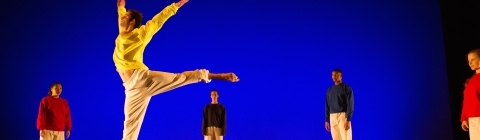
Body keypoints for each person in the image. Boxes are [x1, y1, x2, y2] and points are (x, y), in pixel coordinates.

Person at [114, 0, 239, 139]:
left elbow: (158, 20)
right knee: (129, 128)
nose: (122, 18)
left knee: (181, 78)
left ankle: (218, 76)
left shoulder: (140, 34)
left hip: (143, 79)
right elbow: (121, 16)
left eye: (125, 17)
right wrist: (121, 7)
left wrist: (176, 5)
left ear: (132, 22)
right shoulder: (122, 34)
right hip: (131, 89)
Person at [325, 68, 354, 140]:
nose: (334, 76)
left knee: (346, 138)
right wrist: (326, 120)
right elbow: (327, 105)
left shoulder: (346, 88)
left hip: (343, 116)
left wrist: (348, 119)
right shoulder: (329, 90)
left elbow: (350, 104)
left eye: (336, 74)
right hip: (332, 116)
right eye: (333, 75)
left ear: (341, 76)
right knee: (336, 138)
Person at [461, 48, 480, 139]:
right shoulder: (471, 81)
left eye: (473, 60)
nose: (470, 63)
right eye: (469, 61)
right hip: (473, 119)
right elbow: (467, 101)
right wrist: (464, 118)